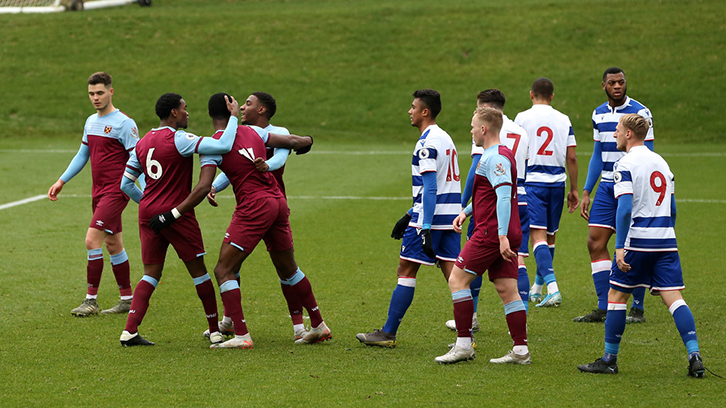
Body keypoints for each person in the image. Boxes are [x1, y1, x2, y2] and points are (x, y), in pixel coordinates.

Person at [578, 114, 705, 377]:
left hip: (638, 240)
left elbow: (623, 209)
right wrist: (668, 235)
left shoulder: (624, 164)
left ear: (628, 134)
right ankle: (695, 356)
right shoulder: (662, 162)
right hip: (666, 240)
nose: (614, 134)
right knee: (675, 299)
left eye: (617, 130)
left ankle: (609, 359)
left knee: (616, 297)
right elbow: (672, 208)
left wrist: (621, 246)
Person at [117, 92, 241, 347]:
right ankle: (214, 331)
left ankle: (129, 331)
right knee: (199, 273)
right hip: (177, 214)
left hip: (148, 214)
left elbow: (125, 184)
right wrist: (234, 119)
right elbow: (224, 146)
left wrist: (148, 204)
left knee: (150, 273)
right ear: (174, 112)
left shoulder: (142, 142)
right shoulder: (180, 139)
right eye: (184, 108)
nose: (187, 113)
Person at [203, 92, 324, 349]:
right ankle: (318, 324)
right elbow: (291, 142)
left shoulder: (214, 142)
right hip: (277, 202)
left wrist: (182, 206)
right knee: (288, 269)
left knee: (224, 270)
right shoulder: (255, 133)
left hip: (254, 207)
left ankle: (241, 335)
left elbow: (206, 178)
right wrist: (309, 140)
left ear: (212, 114)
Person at [357, 89, 461, 348]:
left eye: (413, 107)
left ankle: (388, 333)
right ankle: (465, 336)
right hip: (449, 217)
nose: (410, 111)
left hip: (430, 219)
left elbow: (431, 188)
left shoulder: (426, 143)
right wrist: (407, 214)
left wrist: (423, 226)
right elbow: (437, 184)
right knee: (455, 277)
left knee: (406, 269)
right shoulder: (445, 138)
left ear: (425, 111)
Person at [435, 107, 528, 364]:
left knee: (457, 280)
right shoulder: (501, 153)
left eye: (474, 127)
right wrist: (466, 211)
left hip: (491, 233)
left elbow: (504, 197)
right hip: (505, 230)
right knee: (507, 288)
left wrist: (500, 237)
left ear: (484, 129)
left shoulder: (494, 157)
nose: (472, 131)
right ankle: (521, 350)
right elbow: (488, 194)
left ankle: (464, 344)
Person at [48, 72, 139, 317]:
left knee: (92, 240)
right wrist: (61, 180)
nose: (95, 98)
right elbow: (82, 155)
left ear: (111, 91)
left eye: (100, 92)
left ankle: (91, 300)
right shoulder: (90, 122)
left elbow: (136, 159)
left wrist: (140, 190)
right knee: (113, 243)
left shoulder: (124, 123)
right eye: (91, 94)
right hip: (97, 191)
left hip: (117, 191)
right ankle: (127, 299)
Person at [575, 67, 655, 324]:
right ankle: (604, 306)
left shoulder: (641, 113)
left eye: (621, 82)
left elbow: (647, 153)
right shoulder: (598, 114)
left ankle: (638, 308)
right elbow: (597, 156)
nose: (618, 86)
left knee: (634, 243)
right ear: (604, 86)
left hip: (631, 186)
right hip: (607, 187)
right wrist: (587, 190)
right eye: (613, 83)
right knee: (595, 242)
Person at [514, 77, 579, 307]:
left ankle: (553, 289)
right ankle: (537, 289)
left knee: (537, 237)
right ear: (552, 97)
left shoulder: (522, 118)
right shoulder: (564, 119)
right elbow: (571, 156)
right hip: (557, 183)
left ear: (531, 94)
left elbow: (515, 150)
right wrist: (573, 189)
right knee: (550, 236)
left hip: (533, 182)